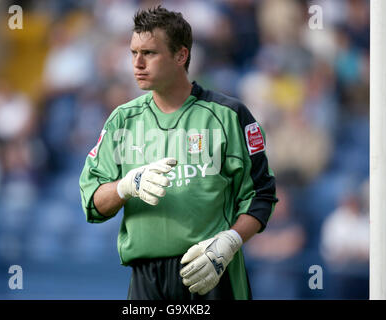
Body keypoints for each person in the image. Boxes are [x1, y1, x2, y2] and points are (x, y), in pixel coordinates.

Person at [79, 6, 278, 300]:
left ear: (181, 55)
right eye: (133, 52)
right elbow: (92, 203)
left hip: (213, 271)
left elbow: (262, 195)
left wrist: (230, 242)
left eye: (149, 53)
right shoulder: (122, 120)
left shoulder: (229, 115)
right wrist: (125, 185)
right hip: (146, 280)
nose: (137, 63)